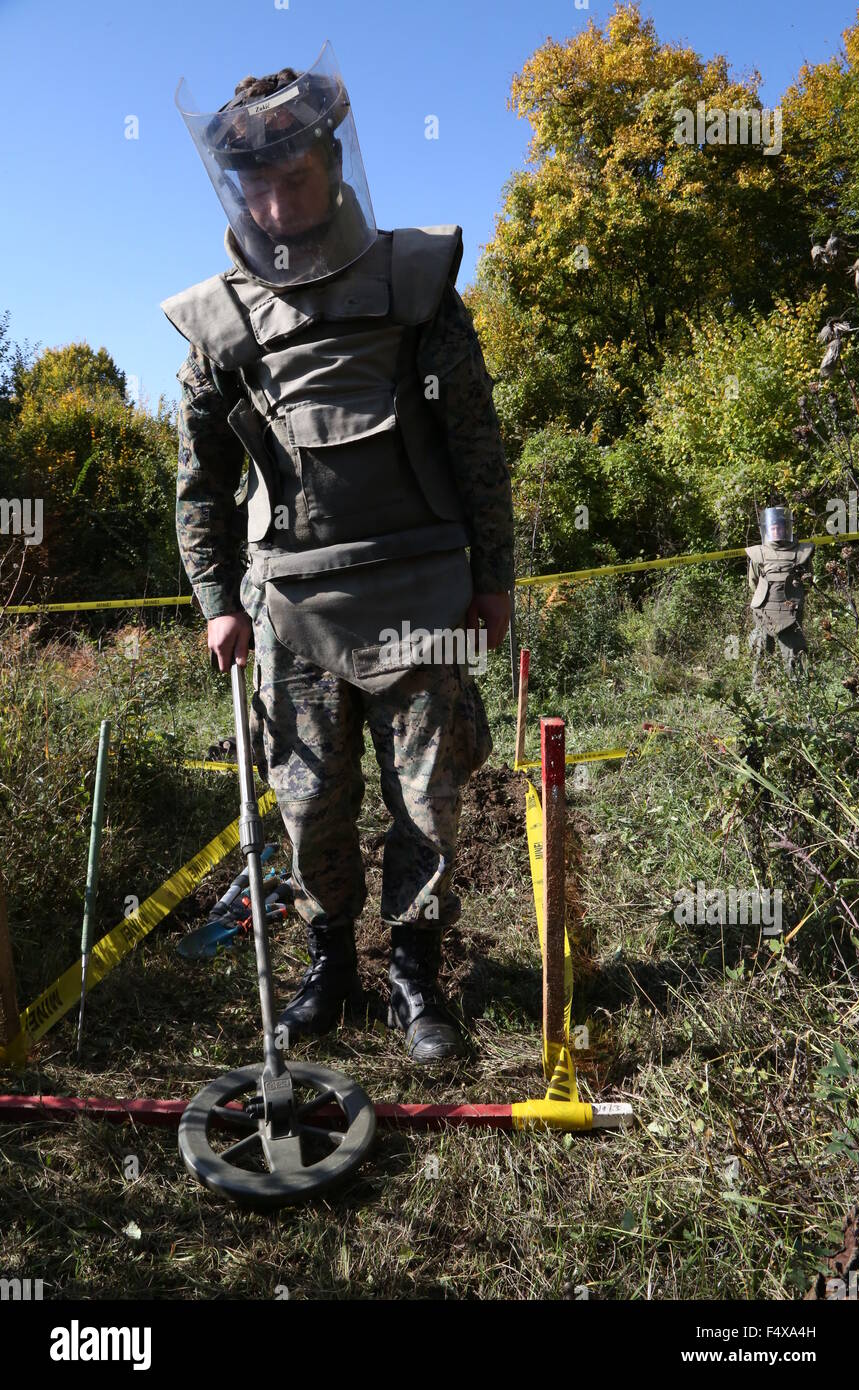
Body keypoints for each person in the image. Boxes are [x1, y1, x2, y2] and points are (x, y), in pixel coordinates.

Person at [161, 43, 514, 1062]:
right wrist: (215, 598)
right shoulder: (220, 324)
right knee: (311, 803)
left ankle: (414, 971)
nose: (279, 204)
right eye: (259, 187)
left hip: (425, 592)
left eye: (297, 179)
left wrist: (492, 577)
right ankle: (331, 963)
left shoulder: (412, 282)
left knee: (430, 802)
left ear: (333, 167)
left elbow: (474, 443)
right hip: (290, 610)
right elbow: (200, 480)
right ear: (238, 189)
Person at [746, 506, 814, 682]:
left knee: (794, 653)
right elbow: (753, 582)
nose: (777, 531)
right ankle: (760, 693)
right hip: (764, 610)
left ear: (787, 528)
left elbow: (807, 583)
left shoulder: (801, 553)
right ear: (768, 530)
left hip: (791, 611)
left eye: (780, 527)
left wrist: (794, 599)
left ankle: (798, 693)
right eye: (773, 528)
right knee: (761, 652)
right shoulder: (758, 553)